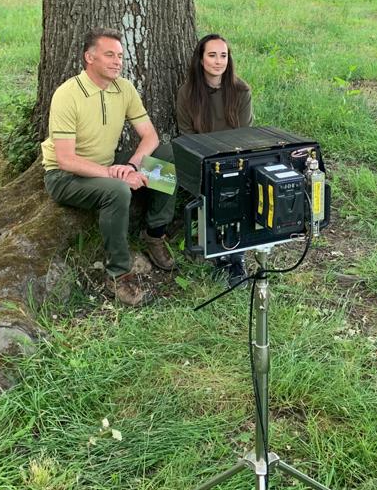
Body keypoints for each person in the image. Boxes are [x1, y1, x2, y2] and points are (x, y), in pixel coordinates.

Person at [41, 28, 175, 307]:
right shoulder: (67, 94)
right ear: (89, 57)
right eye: (109, 55)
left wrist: (130, 166)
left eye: (120, 56)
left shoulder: (123, 88)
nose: (118, 61)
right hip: (65, 176)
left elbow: (150, 136)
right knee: (117, 192)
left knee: (166, 156)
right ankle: (118, 273)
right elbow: (65, 159)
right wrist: (115, 175)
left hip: (107, 165)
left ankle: (155, 234)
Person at [175, 33, 253, 281]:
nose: (218, 61)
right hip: (203, 161)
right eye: (212, 55)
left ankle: (237, 256)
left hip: (235, 158)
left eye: (223, 55)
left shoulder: (241, 90)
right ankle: (218, 253)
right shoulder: (187, 93)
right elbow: (186, 137)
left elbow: (244, 136)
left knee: (239, 190)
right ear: (200, 59)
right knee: (212, 193)